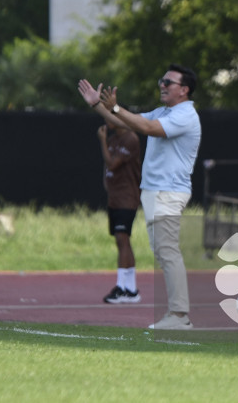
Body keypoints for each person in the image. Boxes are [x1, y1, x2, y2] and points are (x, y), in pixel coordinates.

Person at [78, 64, 202, 330]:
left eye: (169, 82)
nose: (162, 85)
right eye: (162, 80)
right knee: (163, 251)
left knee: (168, 252)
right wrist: (97, 105)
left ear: (184, 90)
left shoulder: (185, 115)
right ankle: (178, 314)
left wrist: (115, 107)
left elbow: (146, 127)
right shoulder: (164, 112)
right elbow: (121, 121)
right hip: (156, 191)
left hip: (168, 191)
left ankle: (180, 316)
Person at [97, 119, 142, 304]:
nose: (106, 122)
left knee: (121, 238)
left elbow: (112, 163)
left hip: (127, 196)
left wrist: (102, 140)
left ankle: (121, 287)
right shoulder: (114, 139)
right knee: (123, 240)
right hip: (115, 197)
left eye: (109, 117)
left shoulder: (130, 139)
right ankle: (131, 289)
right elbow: (107, 168)